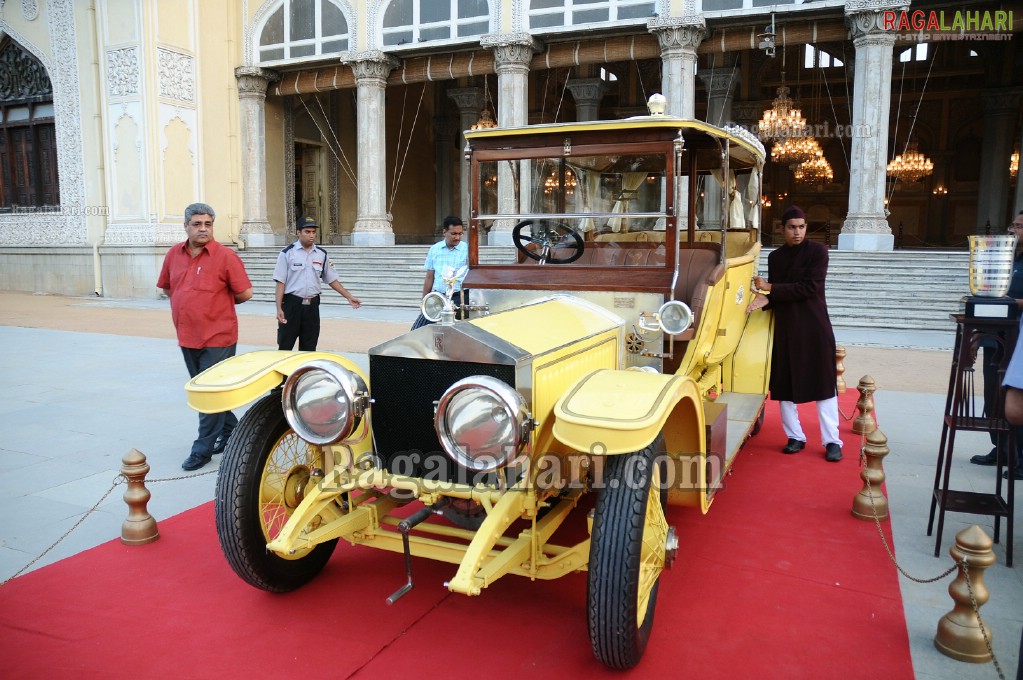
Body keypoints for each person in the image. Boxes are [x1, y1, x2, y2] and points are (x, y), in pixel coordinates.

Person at [157, 202, 253, 471]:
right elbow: (167, 288)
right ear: (186, 226)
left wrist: (214, 306)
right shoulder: (173, 255)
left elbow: (245, 293)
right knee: (210, 393)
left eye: (208, 224)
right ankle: (235, 431)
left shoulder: (225, 257)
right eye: (197, 224)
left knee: (207, 395)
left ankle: (202, 450)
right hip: (187, 335)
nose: (203, 229)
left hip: (218, 337)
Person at [747, 205, 843, 462]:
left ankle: (832, 441)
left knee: (824, 385)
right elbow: (779, 296)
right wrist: (765, 300)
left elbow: (809, 288)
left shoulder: (818, 252)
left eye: (801, 227)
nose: (797, 232)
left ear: (806, 228)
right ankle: (795, 437)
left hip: (814, 328)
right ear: (782, 229)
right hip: (787, 330)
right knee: (785, 385)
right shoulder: (776, 257)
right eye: (791, 227)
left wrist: (770, 288)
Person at [972, 210, 1023, 479]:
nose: (1014, 230)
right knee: (993, 395)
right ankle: (1001, 448)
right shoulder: (1004, 258)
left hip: (1018, 338)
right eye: (1013, 225)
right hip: (996, 337)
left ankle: (1021, 457)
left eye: (1020, 227)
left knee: (1016, 399)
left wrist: (1011, 303)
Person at [274, 215, 361, 351]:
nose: (311, 235)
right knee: (285, 347)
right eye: (307, 232)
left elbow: (331, 279)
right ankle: (285, 373)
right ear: (298, 233)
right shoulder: (287, 254)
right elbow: (280, 283)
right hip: (292, 306)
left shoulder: (321, 254)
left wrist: (348, 296)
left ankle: (306, 373)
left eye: (314, 232)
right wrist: (279, 308)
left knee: (309, 348)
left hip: (312, 307)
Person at [411, 216, 469, 330]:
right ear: (444, 232)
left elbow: (475, 273)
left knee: (458, 330)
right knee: (418, 328)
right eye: (453, 234)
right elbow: (429, 277)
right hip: (438, 297)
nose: (457, 237)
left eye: (460, 234)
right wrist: (425, 300)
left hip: (460, 298)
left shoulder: (468, 249)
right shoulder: (434, 249)